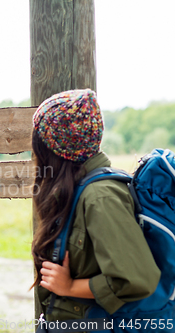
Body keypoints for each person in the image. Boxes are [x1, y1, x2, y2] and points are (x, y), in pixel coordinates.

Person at [31, 89, 160, 324]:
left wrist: (70, 286)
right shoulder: (77, 188)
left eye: (39, 142)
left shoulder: (100, 196)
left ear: (55, 148)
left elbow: (138, 278)